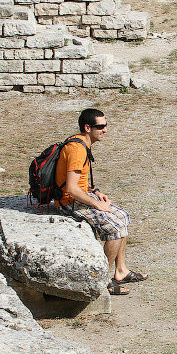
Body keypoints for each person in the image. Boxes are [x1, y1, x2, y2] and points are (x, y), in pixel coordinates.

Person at [55, 108, 147, 296]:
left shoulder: (82, 144)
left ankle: (121, 270)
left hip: (79, 197)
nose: (105, 130)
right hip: (69, 203)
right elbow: (71, 189)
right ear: (87, 128)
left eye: (106, 125)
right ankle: (102, 280)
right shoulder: (77, 150)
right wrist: (97, 204)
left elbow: (78, 182)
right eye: (101, 126)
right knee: (114, 226)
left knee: (123, 216)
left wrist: (95, 192)